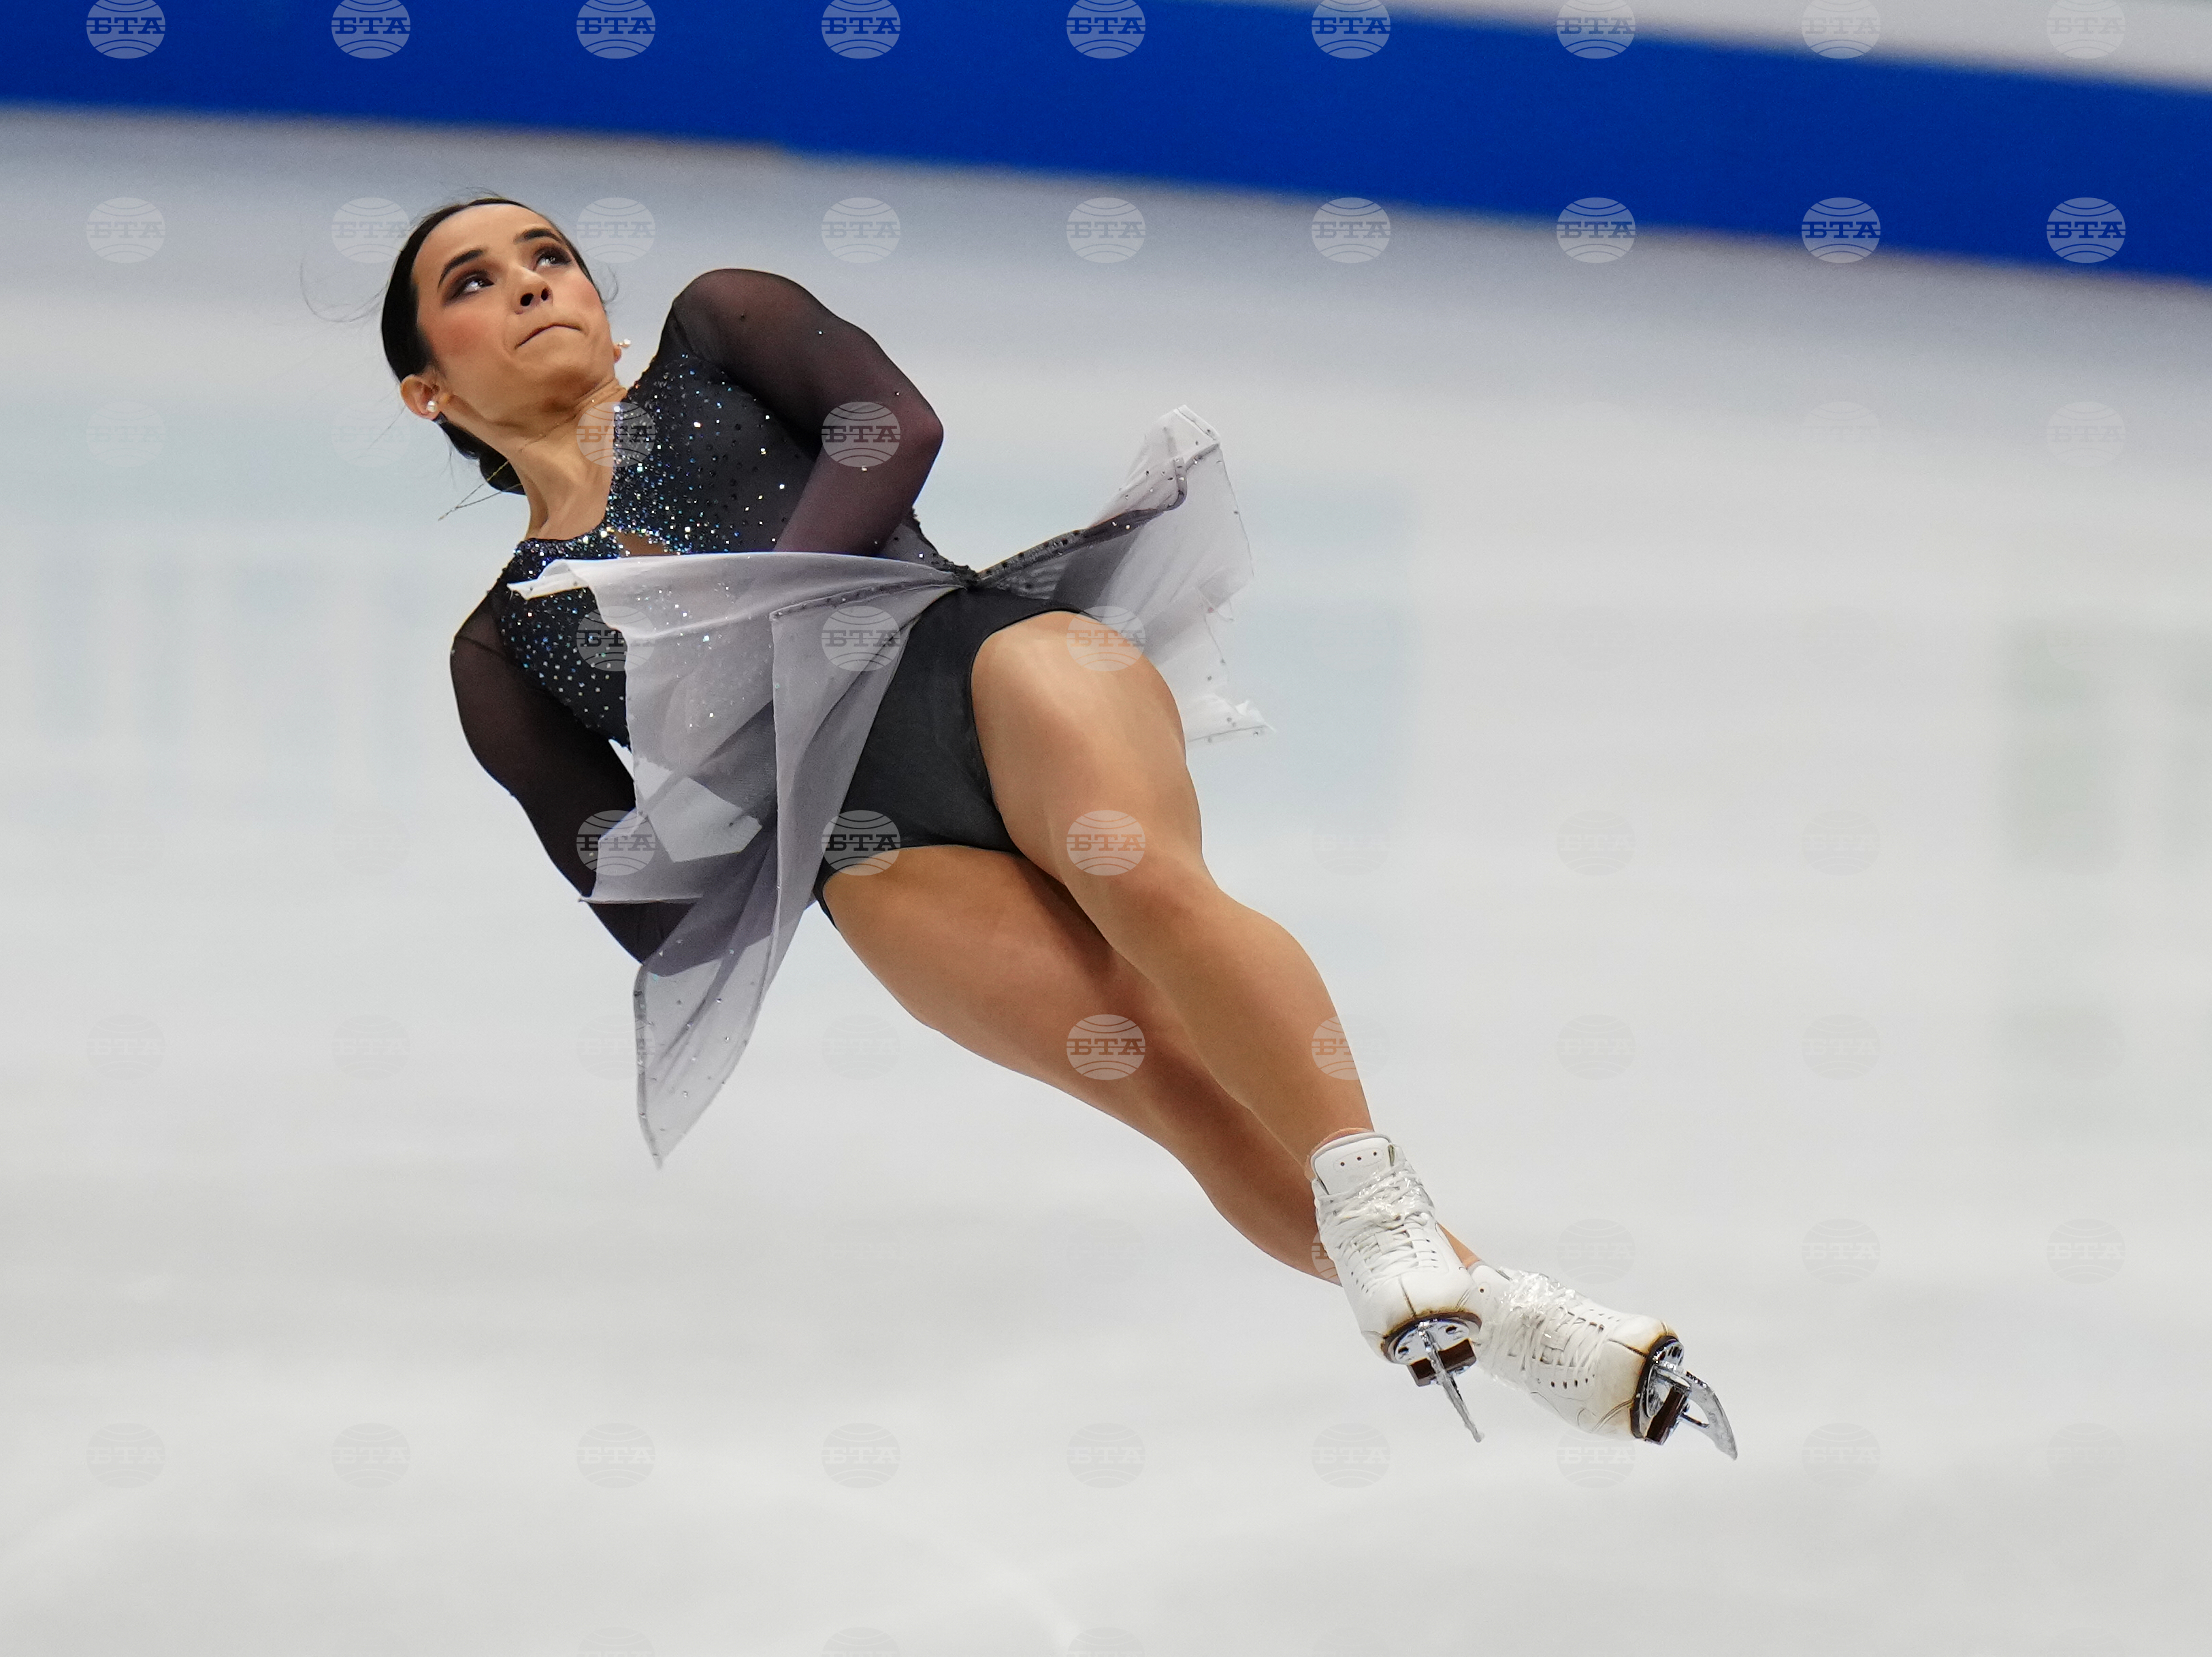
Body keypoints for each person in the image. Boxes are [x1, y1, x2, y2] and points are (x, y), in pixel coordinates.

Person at [382, 199, 1735, 1455]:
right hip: (866, 839)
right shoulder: (504, 645)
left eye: (548, 256)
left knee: (1142, 880)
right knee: (1164, 1083)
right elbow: (651, 914)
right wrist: (730, 776)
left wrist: (743, 623)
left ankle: (1375, 1204)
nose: (530, 284)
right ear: (427, 391)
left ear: (603, 307)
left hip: (982, 662)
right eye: (474, 283)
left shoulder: (715, 333)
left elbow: (890, 426)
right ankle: (1499, 1314)